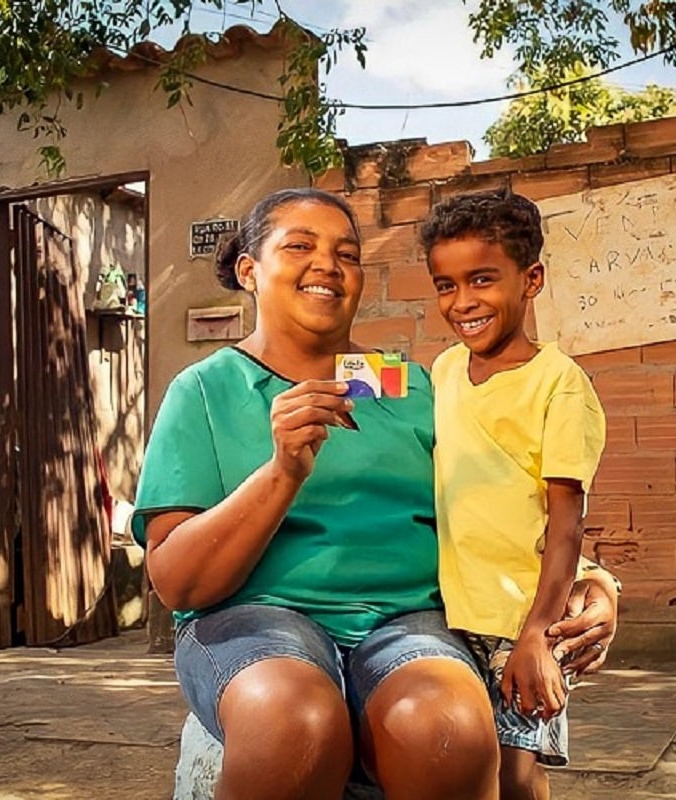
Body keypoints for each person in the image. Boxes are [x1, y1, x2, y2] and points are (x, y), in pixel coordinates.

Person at [132, 187, 616, 800]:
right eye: (300, 246)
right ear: (250, 271)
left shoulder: (389, 380)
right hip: (255, 619)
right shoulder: (208, 388)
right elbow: (177, 580)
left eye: (347, 253)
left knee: (447, 730)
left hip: (406, 618)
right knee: (294, 723)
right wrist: (282, 472)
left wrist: (594, 582)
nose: (327, 265)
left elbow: (495, 486)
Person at [420, 188, 609, 800]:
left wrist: (536, 633)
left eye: (481, 280)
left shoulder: (559, 385)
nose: (462, 302)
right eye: (445, 285)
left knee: (515, 773)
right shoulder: (444, 370)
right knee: (475, 765)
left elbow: (567, 526)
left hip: (519, 617)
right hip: (453, 613)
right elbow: (370, 381)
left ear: (531, 280)